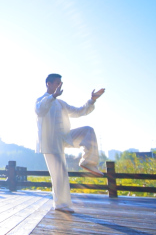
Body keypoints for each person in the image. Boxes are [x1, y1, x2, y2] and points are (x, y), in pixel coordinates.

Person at [35, 73, 105, 213]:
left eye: (60, 84)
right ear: (49, 84)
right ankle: (61, 205)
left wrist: (92, 100)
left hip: (64, 137)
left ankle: (88, 162)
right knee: (59, 173)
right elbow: (40, 110)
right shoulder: (42, 100)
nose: (59, 86)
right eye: (57, 83)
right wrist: (53, 96)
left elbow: (79, 112)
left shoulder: (61, 103)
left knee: (88, 131)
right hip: (51, 143)